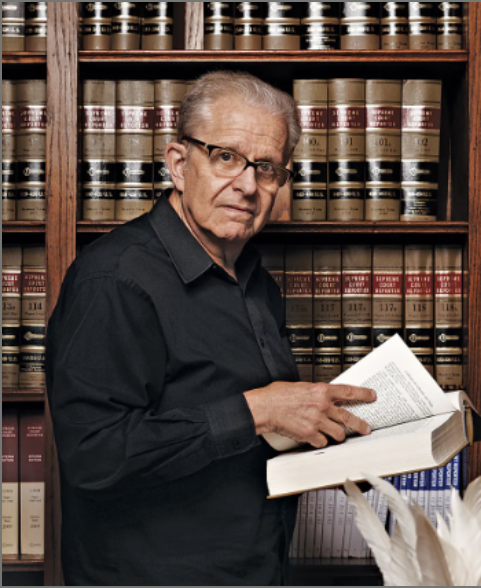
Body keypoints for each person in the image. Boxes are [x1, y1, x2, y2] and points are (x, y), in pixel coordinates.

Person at [46, 71, 376, 587]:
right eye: (226, 157)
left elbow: (249, 438)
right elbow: (94, 456)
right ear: (179, 164)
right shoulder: (114, 280)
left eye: (266, 168)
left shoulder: (257, 283)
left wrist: (331, 445)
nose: (247, 185)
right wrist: (258, 410)